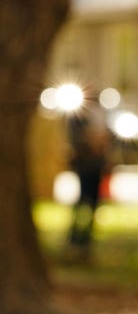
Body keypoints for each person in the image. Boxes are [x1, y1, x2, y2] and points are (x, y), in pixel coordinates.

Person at [67, 103, 111, 256]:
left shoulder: (101, 112)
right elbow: (75, 139)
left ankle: (86, 240)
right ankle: (74, 238)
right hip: (85, 164)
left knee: (94, 202)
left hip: (97, 164)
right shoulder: (78, 115)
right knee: (82, 201)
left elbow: (108, 138)